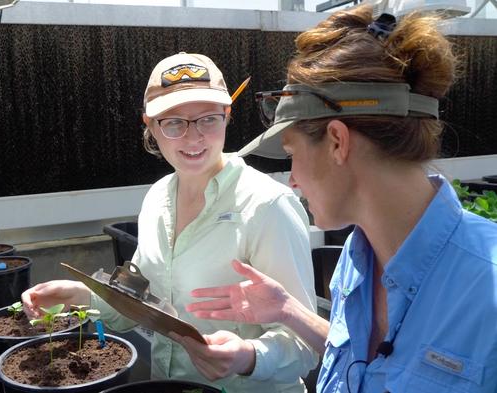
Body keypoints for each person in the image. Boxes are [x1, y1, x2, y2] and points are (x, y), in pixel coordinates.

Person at [173, 5, 497, 393]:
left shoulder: (487, 289)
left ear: (338, 143)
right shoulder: (357, 259)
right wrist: (287, 311)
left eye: (292, 155)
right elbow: (374, 364)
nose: (291, 181)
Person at [22, 52, 319, 392]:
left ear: (227, 116)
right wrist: (84, 295)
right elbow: (143, 300)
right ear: (150, 125)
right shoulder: (158, 197)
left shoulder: (267, 206)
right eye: (173, 122)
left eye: (208, 118)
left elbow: (305, 343)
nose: (193, 138)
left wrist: (250, 357)